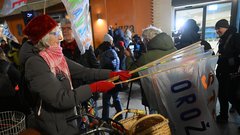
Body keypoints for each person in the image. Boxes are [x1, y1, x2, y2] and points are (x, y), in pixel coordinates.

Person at [19, 14, 131, 135]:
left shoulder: (55, 56)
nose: (60, 38)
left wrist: (112, 73)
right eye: (56, 33)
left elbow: (84, 71)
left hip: (69, 118)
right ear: (44, 38)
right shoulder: (36, 63)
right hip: (55, 126)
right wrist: (94, 87)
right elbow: (60, 99)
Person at [125, 26, 177, 112]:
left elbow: (131, 73)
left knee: (157, 121)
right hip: (173, 90)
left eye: (144, 40)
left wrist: (128, 57)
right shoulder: (173, 49)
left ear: (148, 40)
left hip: (155, 95)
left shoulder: (147, 57)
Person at [215, 19, 240, 123]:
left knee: (233, 97)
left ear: (225, 27)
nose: (217, 31)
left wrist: (229, 61)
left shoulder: (235, 37)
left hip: (232, 73)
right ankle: (223, 116)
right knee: (222, 95)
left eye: (218, 28)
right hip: (223, 71)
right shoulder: (223, 39)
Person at [95, 34, 123, 121]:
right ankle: (119, 114)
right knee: (115, 98)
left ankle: (105, 118)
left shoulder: (101, 50)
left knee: (106, 100)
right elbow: (115, 65)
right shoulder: (111, 51)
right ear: (110, 42)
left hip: (106, 78)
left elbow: (100, 65)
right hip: (113, 78)